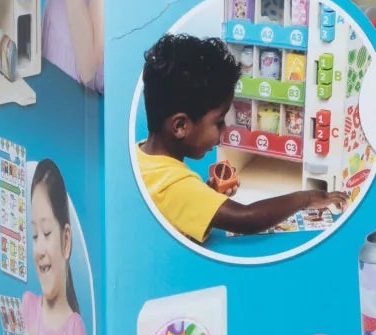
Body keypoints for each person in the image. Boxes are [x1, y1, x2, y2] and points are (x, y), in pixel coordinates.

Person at [136, 33, 345, 241]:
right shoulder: (174, 184)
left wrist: (207, 197)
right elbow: (246, 218)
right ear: (180, 126)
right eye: (219, 122)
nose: (224, 130)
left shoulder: (141, 155)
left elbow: (178, 209)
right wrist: (305, 198)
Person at [4, 160, 89, 335]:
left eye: (47, 234)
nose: (39, 248)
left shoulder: (75, 331)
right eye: (34, 235)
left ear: (66, 240)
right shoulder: (26, 306)